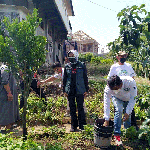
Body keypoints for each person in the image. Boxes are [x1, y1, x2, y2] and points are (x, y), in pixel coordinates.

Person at [107, 51, 138, 130]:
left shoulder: (128, 66)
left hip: (127, 90)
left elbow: (132, 77)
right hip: (117, 91)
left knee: (129, 111)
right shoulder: (114, 67)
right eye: (121, 56)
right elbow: (109, 79)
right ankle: (117, 129)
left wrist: (133, 87)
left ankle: (130, 128)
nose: (123, 58)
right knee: (118, 110)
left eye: (124, 56)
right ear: (117, 57)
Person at [103, 75, 137, 146]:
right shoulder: (108, 88)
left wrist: (127, 112)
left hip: (128, 99)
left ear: (121, 84)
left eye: (116, 88)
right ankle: (117, 134)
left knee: (128, 115)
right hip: (117, 98)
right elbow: (106, 103)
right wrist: (106, 118)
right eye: (113, 89)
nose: (115, 90)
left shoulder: (130, 82)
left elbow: (133, 97)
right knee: (119, 110)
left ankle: (127, 131)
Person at [63, 50, 89, 132]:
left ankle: (82, 125)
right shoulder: (67, 66)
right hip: (70, 90)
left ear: (76, 56)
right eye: (69, 56)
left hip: (80, 89)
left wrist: (86, 89)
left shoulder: (82, 65)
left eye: (72, 55)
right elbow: (65, 79)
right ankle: (73, 126)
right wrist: (64, 90)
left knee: (80, 107)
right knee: (72, 108)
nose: (71, 57)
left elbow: (85, 78)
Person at [0, 63, 19, 131]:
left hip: (7, 96)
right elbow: (5, 81)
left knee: (8, 113)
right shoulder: (5, 68)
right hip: (5, 95)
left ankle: (8, 129)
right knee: (3, 112)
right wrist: (9, 93)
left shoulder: (8, 68)